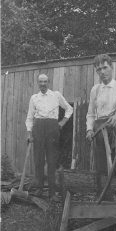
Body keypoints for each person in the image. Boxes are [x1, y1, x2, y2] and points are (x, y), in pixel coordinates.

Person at [86, 54, 116, 199]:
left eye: (105, 67)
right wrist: (89, 129)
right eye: (99, 69)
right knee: (101, 165)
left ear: (112, 67)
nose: (102, 72)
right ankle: (104, 195)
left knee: (115, 159)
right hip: (100, 127)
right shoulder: (95, 89)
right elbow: (90, 113)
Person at [25, 74, 73, 202]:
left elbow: (69, 109)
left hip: (52, 128)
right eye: (40, 82)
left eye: (45, 81)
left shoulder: (56, 95)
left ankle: (52, 193)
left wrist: (62, 122)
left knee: (52, 160)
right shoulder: (34, 98)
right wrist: (29, 133)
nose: (43, 84)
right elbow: (30, 117)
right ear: (38, 83)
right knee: (38, 160)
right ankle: (39, 189)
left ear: (49, 82)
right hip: (38, 128)